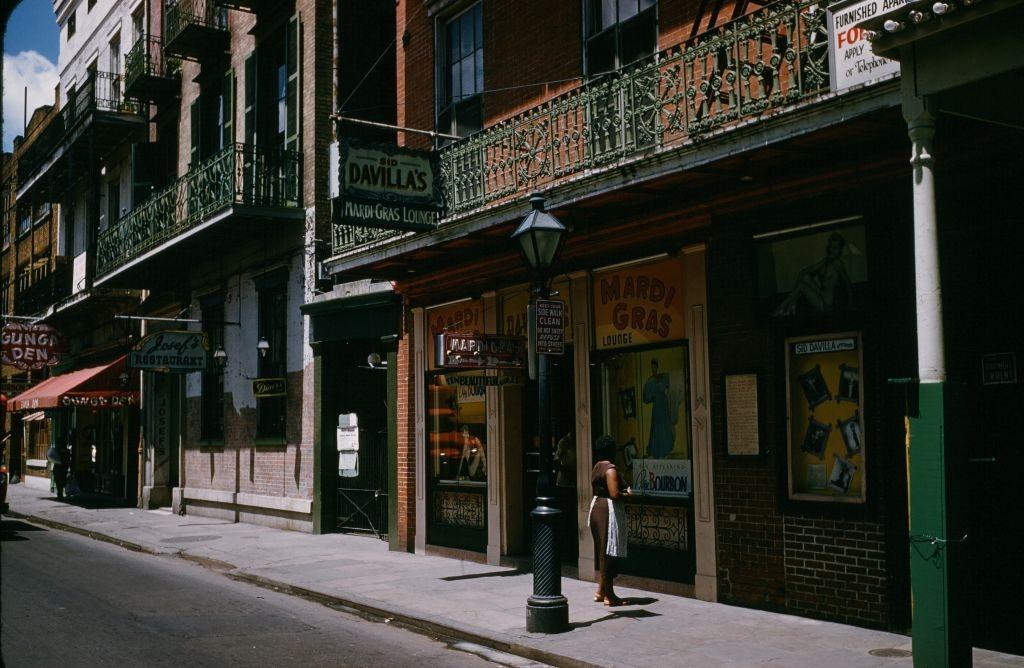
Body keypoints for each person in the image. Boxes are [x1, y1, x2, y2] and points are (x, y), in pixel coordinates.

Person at [587, 435, 632, 606]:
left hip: (596, 508)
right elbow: (614, 494)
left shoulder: (597, 467)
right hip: (607, 511)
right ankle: (610, 596)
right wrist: (628, 494)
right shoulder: (610, 469)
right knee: (608, 553)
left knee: (603, 552)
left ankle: (600, 591)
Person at [772, 232, 853, 317]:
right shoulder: (826, 260)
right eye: (831, 247)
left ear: (840, 249)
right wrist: (823, 261)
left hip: (827, 306)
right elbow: (807, 271)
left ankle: (782, 308)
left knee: (802, 285)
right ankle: (790, 305)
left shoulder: (838, 263)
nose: (832, 250)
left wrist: (850, 303)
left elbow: (847, 282)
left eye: (835, 248)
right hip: (821, 296)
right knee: (805, 275)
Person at [643, 359, 675, 458]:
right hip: (657, 406)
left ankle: (666, 448)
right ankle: (657, 451)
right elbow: (646, 398)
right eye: (652, 367)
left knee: (665, 426)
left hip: (664, 405)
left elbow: (670, 387)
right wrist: (652, 397)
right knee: (657, 428)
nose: (653, 369)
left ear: (657, 367)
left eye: (654, 367)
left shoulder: (663, 377)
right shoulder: (650, 381)